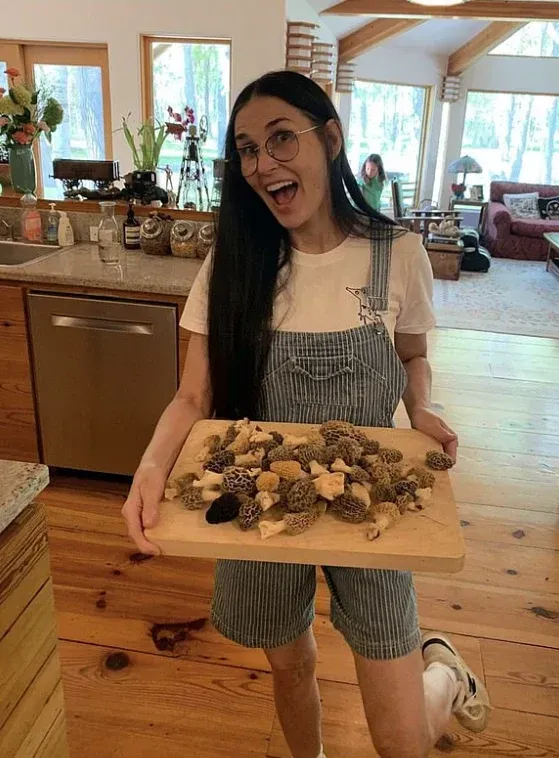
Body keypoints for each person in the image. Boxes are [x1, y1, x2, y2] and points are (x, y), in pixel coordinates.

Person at [122, 71, 490, 758]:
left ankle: (445, 673)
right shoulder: (234, 263)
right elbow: (192, 398)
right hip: (262, 504)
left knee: (402, 742)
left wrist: (422, 406)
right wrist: (148, 469)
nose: (264, 163)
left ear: (332, 139)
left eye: (281, 138)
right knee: (291, 664)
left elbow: (412, 355)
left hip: (371, 501)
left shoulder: (397, 253)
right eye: (247, 149)